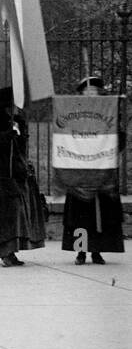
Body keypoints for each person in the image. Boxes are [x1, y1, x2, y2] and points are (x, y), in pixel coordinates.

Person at [62, 75, 125, 265]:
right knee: (81, 216)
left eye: (95, 92)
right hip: (81, 174)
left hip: (102, 173)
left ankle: (97, 250)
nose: (91, 95)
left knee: (102, 215)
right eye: (88, 92)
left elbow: (119, 141)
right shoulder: (73, 115)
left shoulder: (109, 115)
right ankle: (81, 251)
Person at [0, 86, 48, 267]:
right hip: (1, 176)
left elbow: (22, 148)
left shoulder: (19, 122)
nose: (13, 110)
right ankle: (5, 252)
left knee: (18, 213)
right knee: (4, 215)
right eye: (9, 107)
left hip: (18, 173)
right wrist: (7, 135)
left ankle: (14, 250)